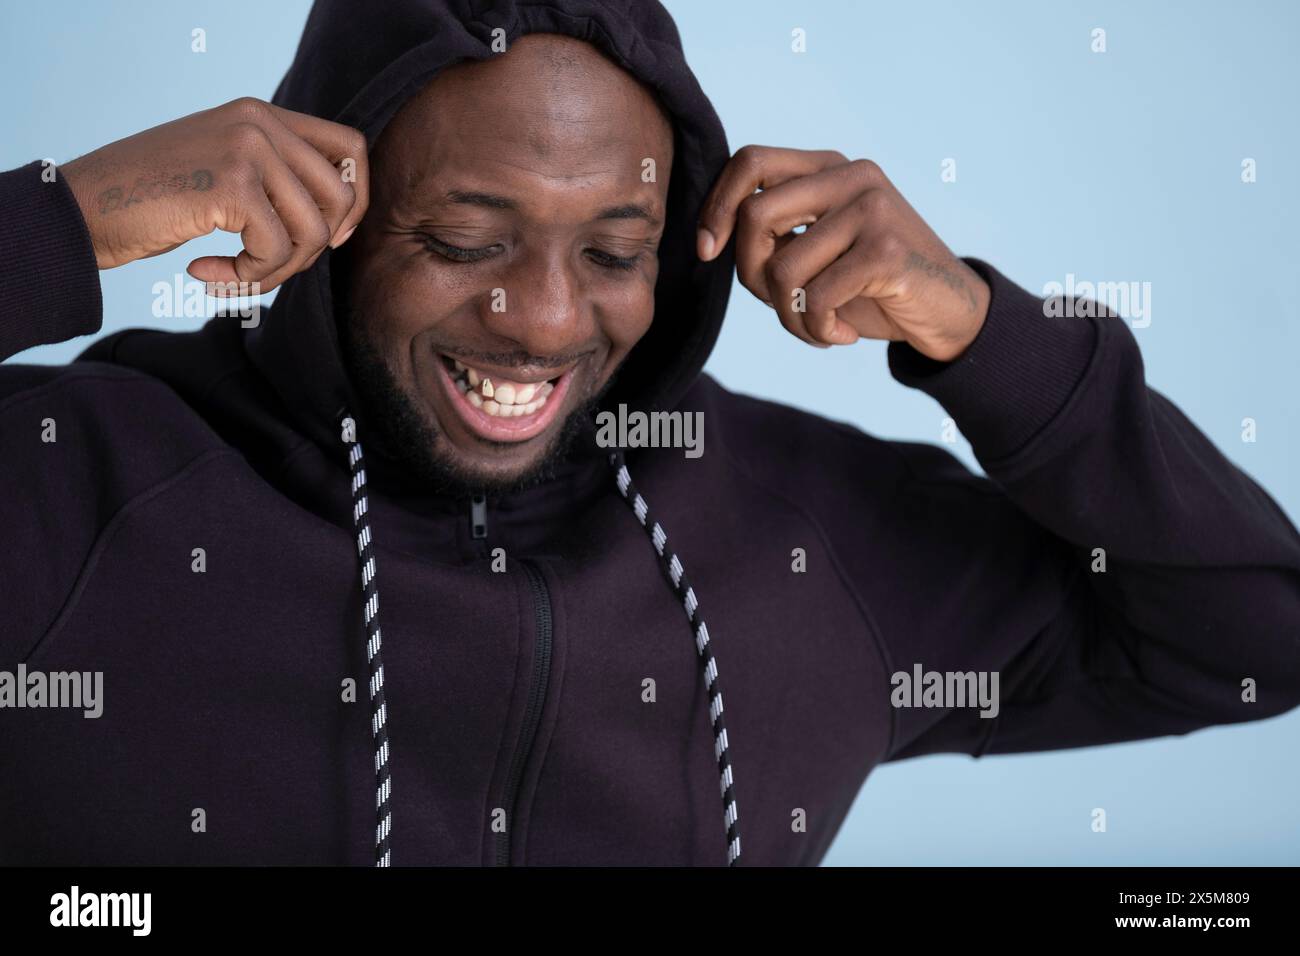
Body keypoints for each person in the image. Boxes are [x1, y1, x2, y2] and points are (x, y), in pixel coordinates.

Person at [1, 0, 1296, 867]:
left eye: (615, 251)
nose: (544, 320)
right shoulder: (92, 490)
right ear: (327, 223)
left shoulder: (800, 533)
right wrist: (61, 227)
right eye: (464, 244)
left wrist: (979, 333)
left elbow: (1252, 633)